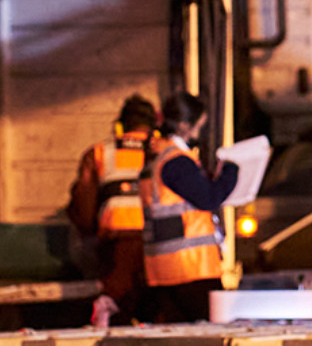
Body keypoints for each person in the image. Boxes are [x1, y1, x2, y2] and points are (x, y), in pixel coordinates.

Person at [139, 91, 238, 323]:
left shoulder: (155, 158)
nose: (197, 132)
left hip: (163, 270)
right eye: (197, 126)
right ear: (184, 125)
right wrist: (232, 172)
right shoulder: (176, 162)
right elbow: (209, 198)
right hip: (191, 269)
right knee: (207, 341)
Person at [67, 94, 159, 326]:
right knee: (157, 316)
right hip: (160, 245)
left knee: (117, 314)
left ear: (121, 125)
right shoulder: (164, 152)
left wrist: (88, 233)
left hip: (119, 245)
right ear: (153, 126)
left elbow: (84, 208)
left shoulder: (99, 153)